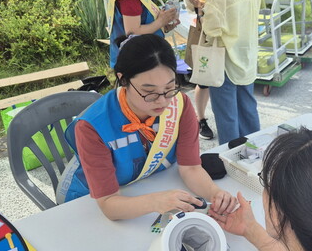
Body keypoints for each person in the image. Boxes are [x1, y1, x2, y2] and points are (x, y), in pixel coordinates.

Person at [59, 34, 237, 221]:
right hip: (88, 203)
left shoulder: (179, 104)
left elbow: (191, 168)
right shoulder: (92, 126)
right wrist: (155, 202)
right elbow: (108, 204)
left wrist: (215, 194)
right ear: (123, 79)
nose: (162, 101)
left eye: (169, 88)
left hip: (146, 187)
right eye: (149, 91)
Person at [201, 0, 261, 145]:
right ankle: (255, 154)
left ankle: (230, 159)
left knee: (227, 117)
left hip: (224, 59)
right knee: (248, 110)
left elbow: (212, 27)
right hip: (246, 55)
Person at [182, 0, 214, 141]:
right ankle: (200, 119)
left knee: (220, 76)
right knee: (202, 76)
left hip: (220, 27)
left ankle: (227, 119)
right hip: (200, 23)